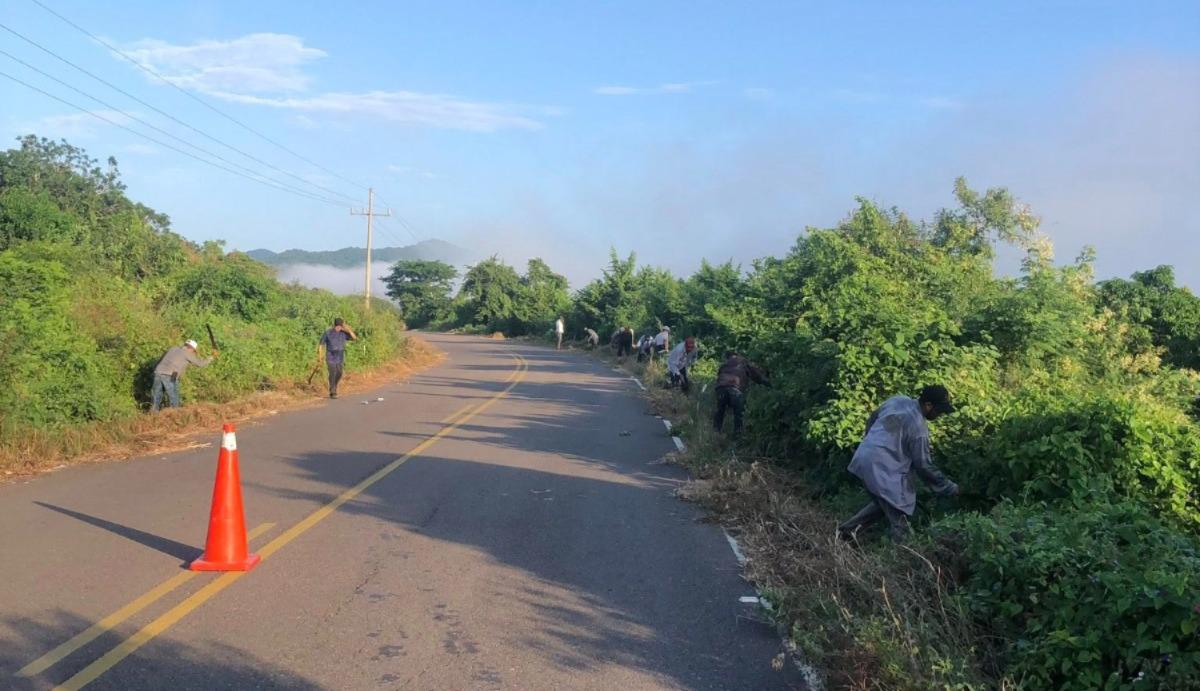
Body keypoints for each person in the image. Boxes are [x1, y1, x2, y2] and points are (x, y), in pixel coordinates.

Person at [837, 385, 959, 543]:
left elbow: (872, 418)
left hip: (863, 458)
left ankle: (845, 533)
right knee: (900, 520)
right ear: (928, 405)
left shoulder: (898, 400)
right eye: (939, 411)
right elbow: (924, 465)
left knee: (885, 505)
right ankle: (904, 553)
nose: (940, 415)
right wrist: (949, 487)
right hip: (881, 470)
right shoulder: (918, 429)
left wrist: (871, 442)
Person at [713, 350, 769, 438]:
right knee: (738, 413)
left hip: (721, 388)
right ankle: (737, 436)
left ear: (727, 357)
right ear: (737, 355)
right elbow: (757, 375)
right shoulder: (743, 362)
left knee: (720, 411)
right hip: (735, 389)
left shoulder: (724, 365)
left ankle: (716, 432)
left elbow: (719, 377)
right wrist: (767, 383)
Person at [151, 339, 217, 412]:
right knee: (174, 396)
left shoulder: (173, 348)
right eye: (193, 351)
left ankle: (154, 413)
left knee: (156, 395)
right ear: (191, 348)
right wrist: (211, 357)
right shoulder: (187, 353)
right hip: (171, 375)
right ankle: (175, 413)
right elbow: (200, 364)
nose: (193, 352)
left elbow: (160, 360)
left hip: (158, 372)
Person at [319, 318, 357, 399]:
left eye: (340, 327)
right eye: (338, 326)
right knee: (332, 372)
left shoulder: (343, 333)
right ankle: (333, 391)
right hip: (330, 355)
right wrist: (320, 356)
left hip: (340, 356)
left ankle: (334, 386)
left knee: (339, 373)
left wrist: (348, 330)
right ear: (335, 325)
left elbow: (354, 338)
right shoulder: (328, 332)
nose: (339, 328)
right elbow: (321, 344)